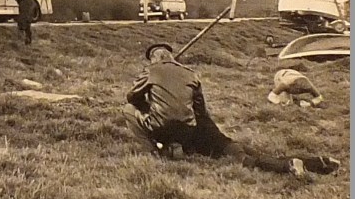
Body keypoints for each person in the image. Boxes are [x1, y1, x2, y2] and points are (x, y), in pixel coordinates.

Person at [121, 43, 340, 177]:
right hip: (203, 132)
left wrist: (149, 106)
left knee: (246, 160)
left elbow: (132, 97)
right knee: (249, 152)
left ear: (154, 59)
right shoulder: (190, 74)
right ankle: (317, 162)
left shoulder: (151, 71)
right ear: (172, 57)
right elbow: (201, 111)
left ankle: (155, 152)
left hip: (189, 135)